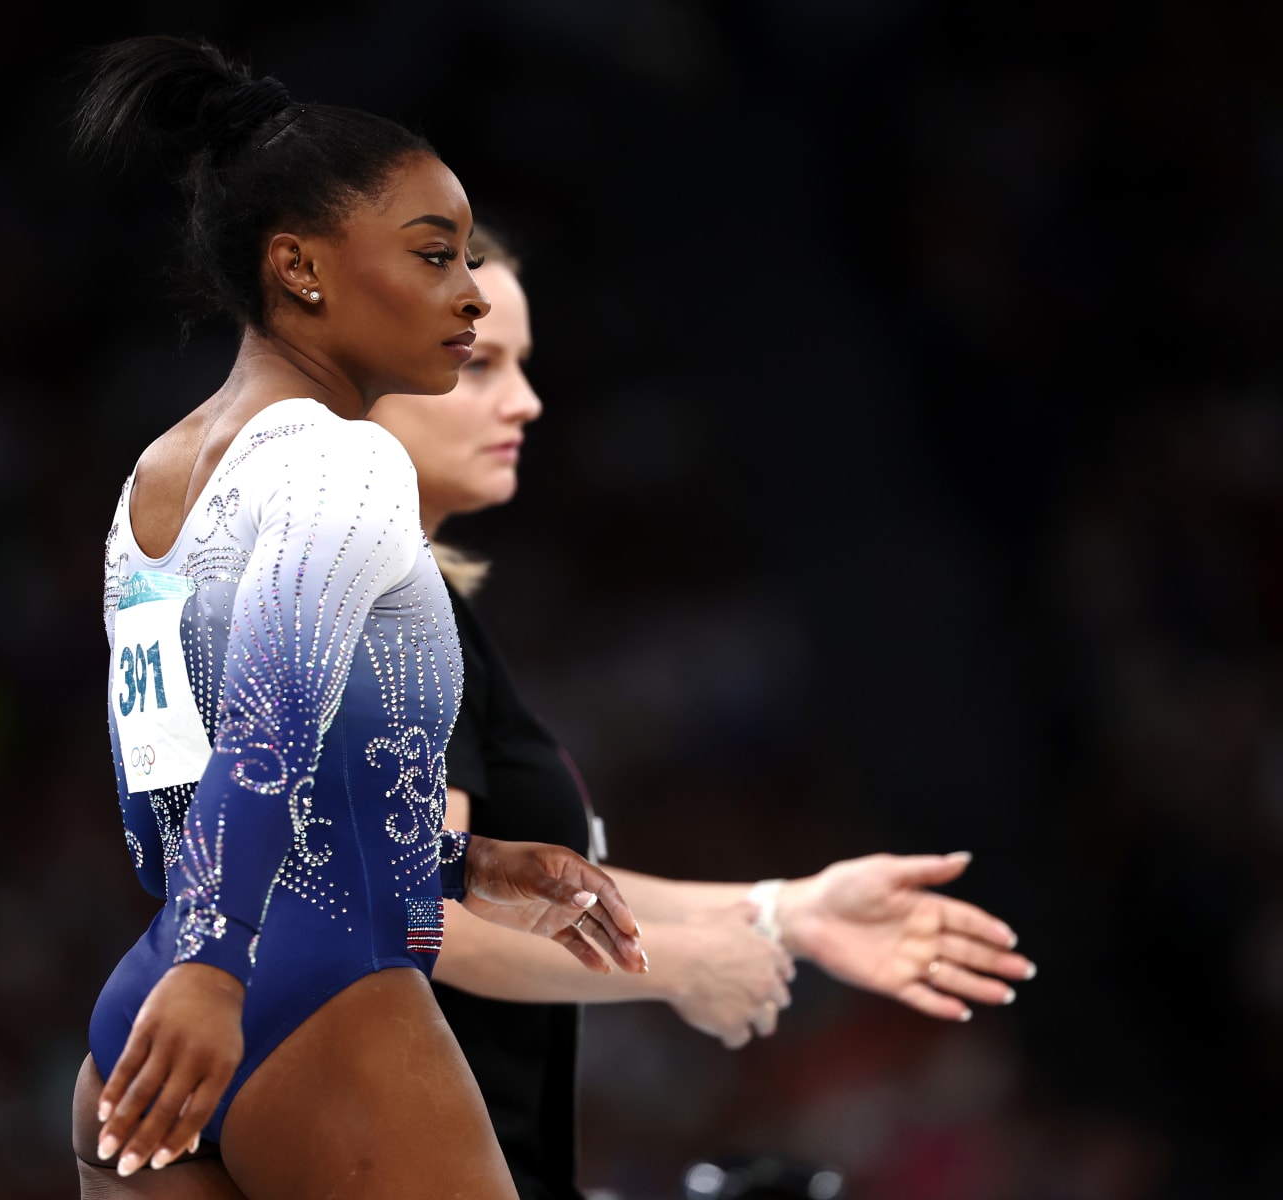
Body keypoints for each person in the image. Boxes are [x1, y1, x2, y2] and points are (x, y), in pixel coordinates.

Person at [72, 222, 1036, 1199]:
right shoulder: (383, 616)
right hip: (330, 1050)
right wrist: (672, 972)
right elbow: (413, 917)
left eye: (518, 365)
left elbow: (449, 875)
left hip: (189, 1017)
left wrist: (780, 911)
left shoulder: (346, 593)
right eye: (476, 363)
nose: (523, 401)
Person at [71, 38, 647, 1200]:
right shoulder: (346, 465)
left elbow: (162, 808)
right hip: (311, 1001)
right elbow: (269, 729)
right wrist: (226, 969)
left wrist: (456, 857)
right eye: (435, 257)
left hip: (147, 1023)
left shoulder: (153, 483)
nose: (473, 295)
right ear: (300, 268)